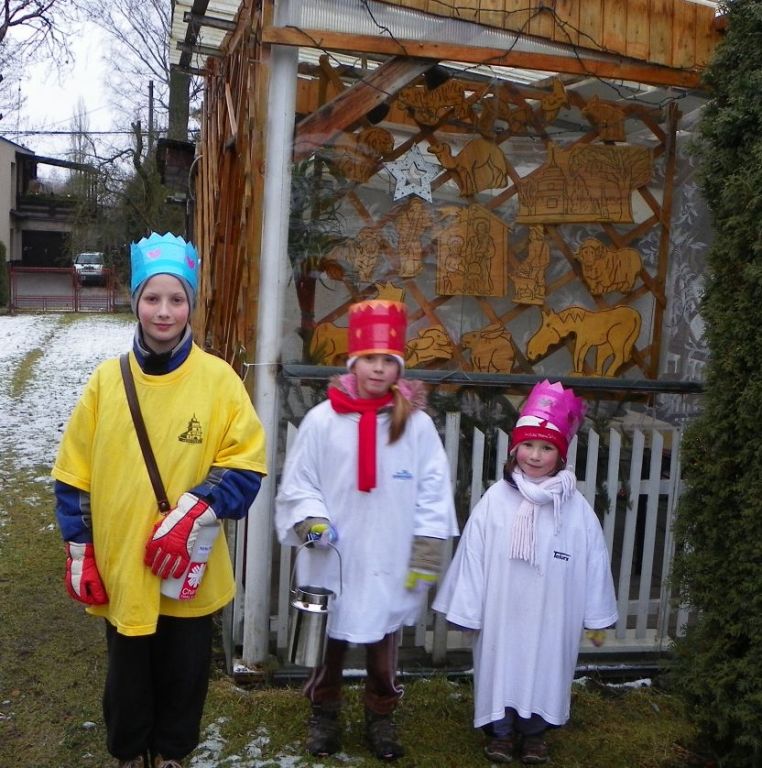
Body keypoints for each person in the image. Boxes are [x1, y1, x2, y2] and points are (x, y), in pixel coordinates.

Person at [52, 232, 268, 768]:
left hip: (188, 568)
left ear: (191, 304)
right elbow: (74, 473)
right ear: (137, 301)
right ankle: (129, 753)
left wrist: (192, 513)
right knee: (127, 673)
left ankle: (172, 754)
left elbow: (246, 464)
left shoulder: (218, 381)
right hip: (124, 563)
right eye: (152, 298)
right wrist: (81, 549)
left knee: (184, 672)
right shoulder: (106, 382)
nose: (164, 311)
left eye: (176, 299)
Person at [275, 299, 458, 761]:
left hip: (389, 556)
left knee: (383, 647)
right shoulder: (322, 421)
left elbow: (434, 490)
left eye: (387, 361)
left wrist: (426, 550)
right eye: (370, 359)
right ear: (353, 362)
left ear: (398, 367)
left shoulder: (416, 427)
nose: (378, 369)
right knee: (328, 645)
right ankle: (324, 713)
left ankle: (381, 715)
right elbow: (300, 482)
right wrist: (311, 519)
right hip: (333, 556)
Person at [433, 380, 617, 765]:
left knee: (545, 665)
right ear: (514, 449)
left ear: (560, 455)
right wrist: (467, 610)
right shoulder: (496, 500)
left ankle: (535, 735)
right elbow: (473, 554)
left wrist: (596, 617)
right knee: (500, 663)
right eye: (528, 445)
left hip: (552, 611)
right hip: (502, 608)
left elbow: (594, 560)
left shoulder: (575, 508)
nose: (535, 455)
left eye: (546, 448)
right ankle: (500, 733)